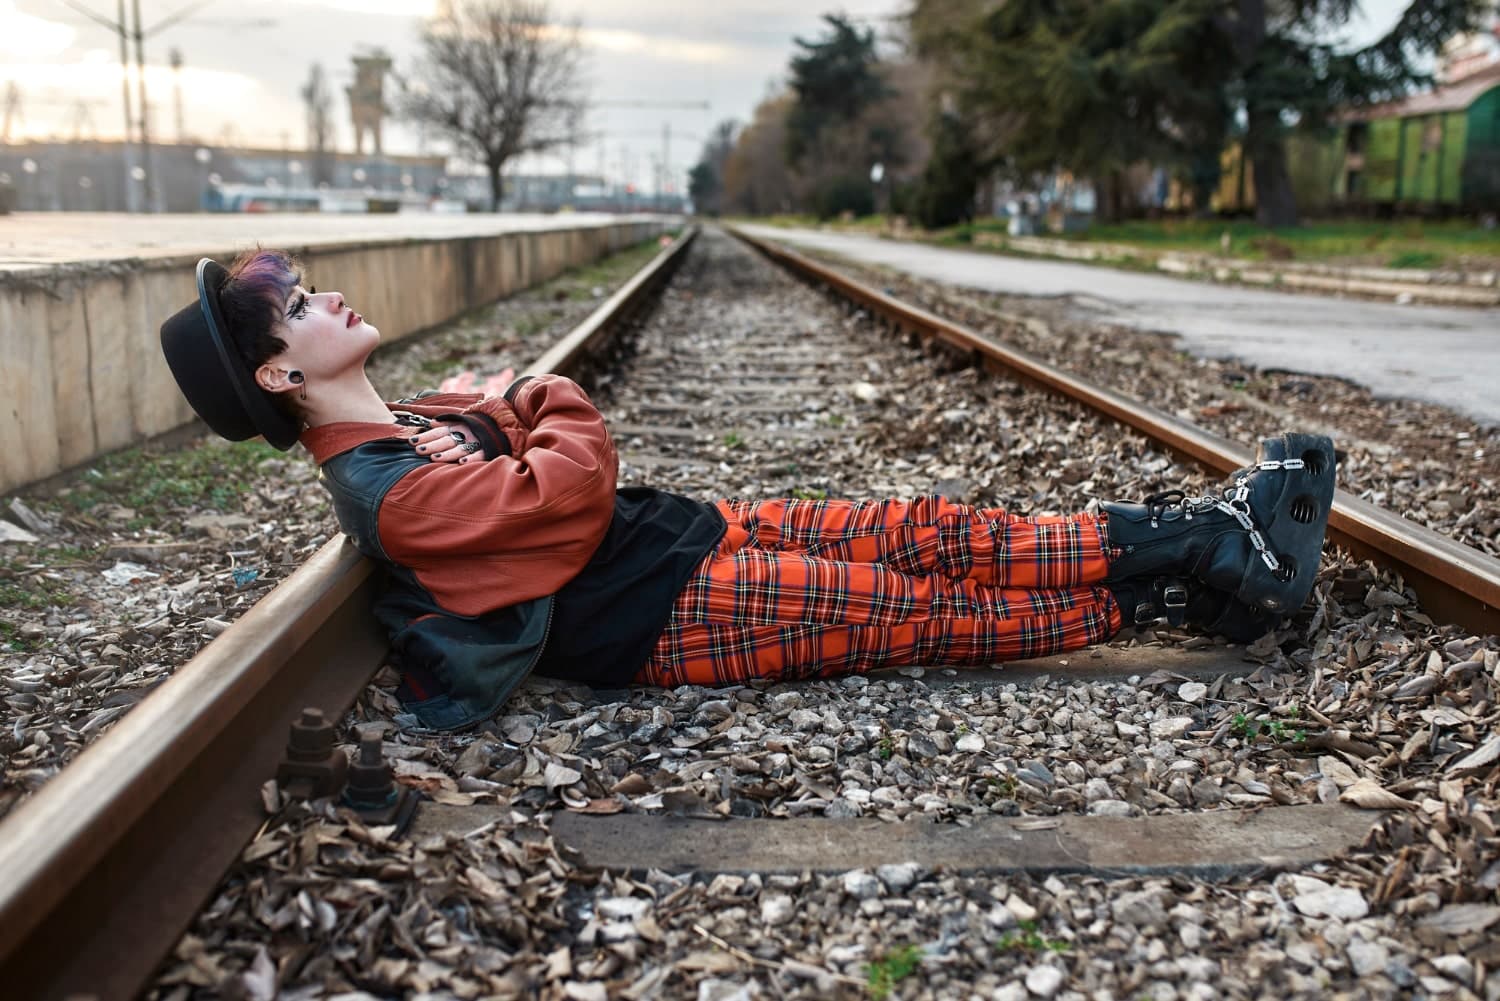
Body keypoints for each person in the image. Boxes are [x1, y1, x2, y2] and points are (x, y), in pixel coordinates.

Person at [160, 250, 1337, 732]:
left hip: (680, 534)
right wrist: (540, 393)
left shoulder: (415, 424)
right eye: (303, 305)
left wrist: (513, 414)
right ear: (278, 372)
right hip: (653, 614)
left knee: (920, 530)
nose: (330, 301)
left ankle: (1208, 537)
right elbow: (568, 485)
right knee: (917, 611)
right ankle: (1180, 594)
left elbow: (536, 461)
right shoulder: (390, 492)